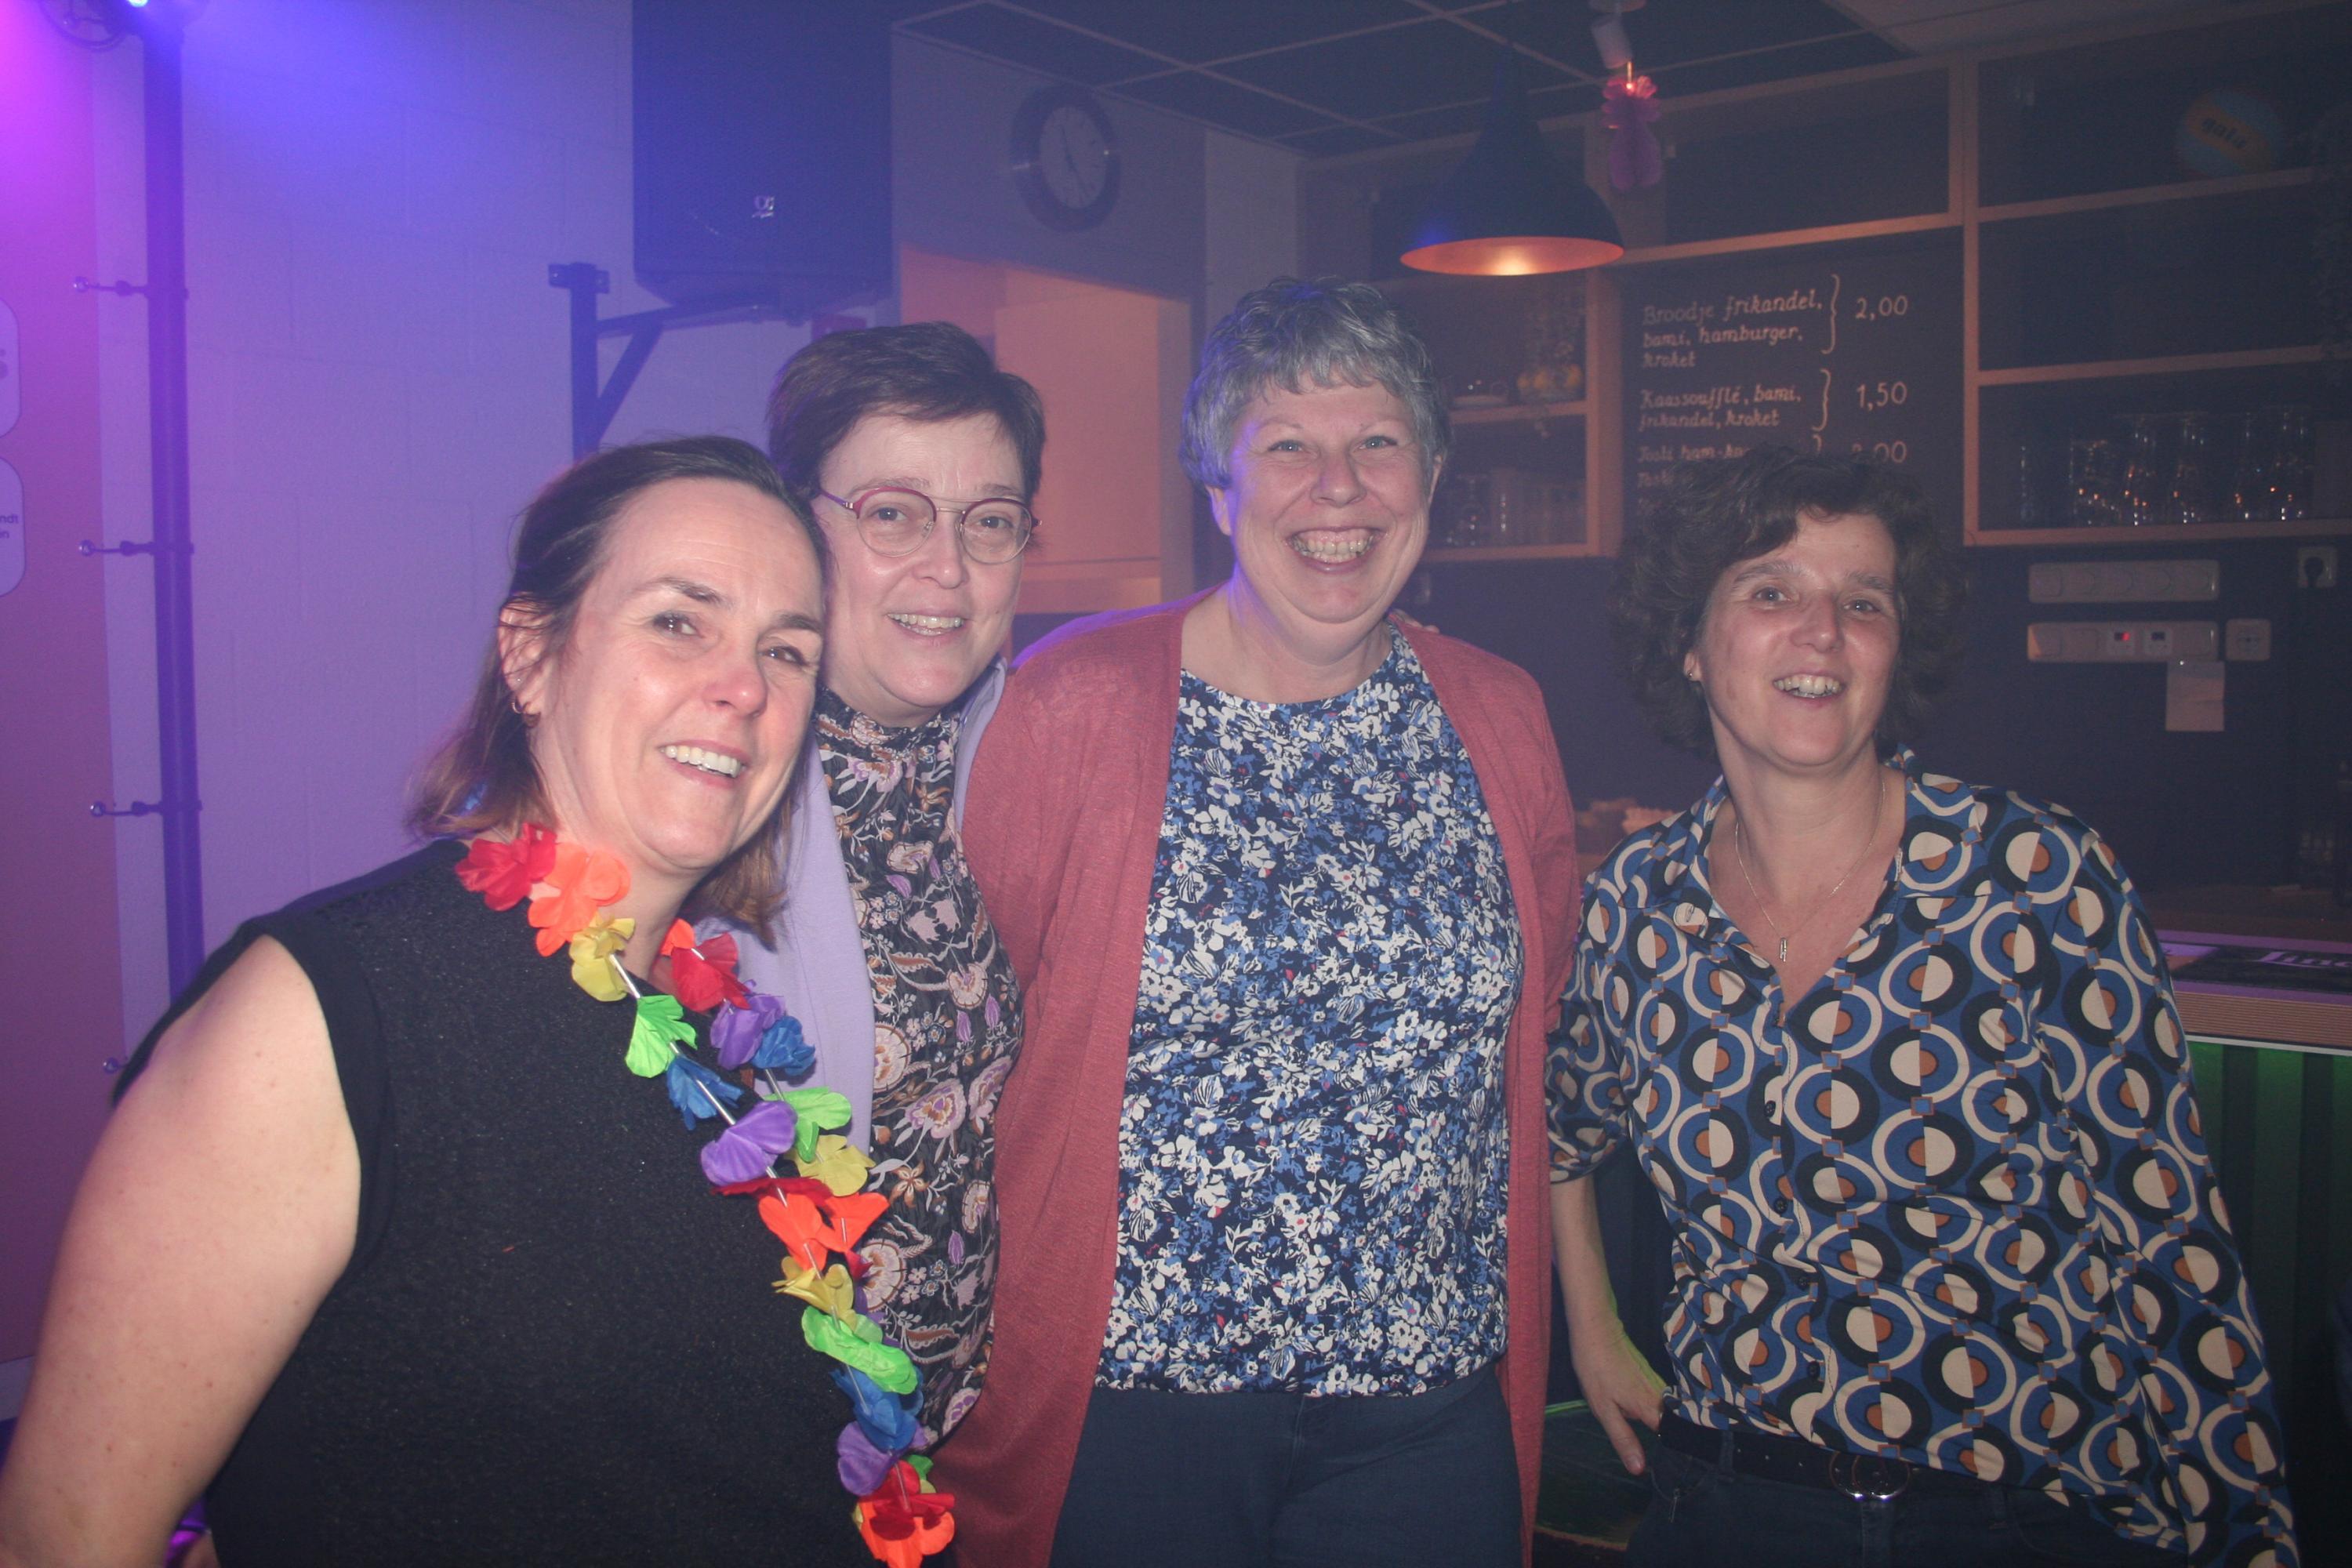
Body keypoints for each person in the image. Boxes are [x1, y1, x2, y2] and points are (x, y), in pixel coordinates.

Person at [0, 437, 906, 1565]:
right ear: (530, 656)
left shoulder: (716, 1035)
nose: (746, 687)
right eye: (680, 621)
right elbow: (64, 1539)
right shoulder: (324, 1016)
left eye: (787, 650)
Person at [1548, 446, 2299, 1566]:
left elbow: (2169, 1243)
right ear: (1691, 646)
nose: (1823, 631)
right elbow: (1558, 1130)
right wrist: (1597, 1333)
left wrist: (2247, 1535)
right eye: (1771, 591)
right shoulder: (1636, 904)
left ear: (1897, 647)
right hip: (1729, 1502)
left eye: (1864, 602)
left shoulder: (2033, 878)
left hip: (2014, 1512)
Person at [932, 278, 1584, 1567]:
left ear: (1431, 476)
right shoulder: (1071, 704)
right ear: (1220, 491)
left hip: (1424, 1416)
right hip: (1130, 1414)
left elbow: (1539, 1009)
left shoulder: (1502, 715)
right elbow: (966, 1027)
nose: (1338, 487)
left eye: (1378, 442)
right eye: (1287, 445)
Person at [713, 320, 1040, 1445]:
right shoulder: (712, 787)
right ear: (799, 522)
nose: (947, 568)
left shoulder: (1024, 751)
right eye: (893, 513)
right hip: (770, 1441)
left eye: (988, 521)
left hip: (961, 1449)